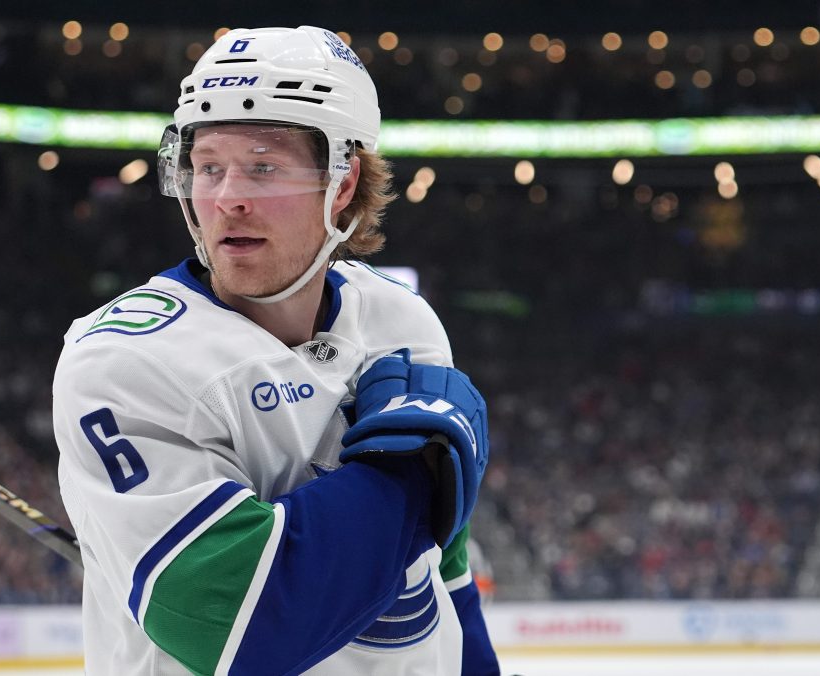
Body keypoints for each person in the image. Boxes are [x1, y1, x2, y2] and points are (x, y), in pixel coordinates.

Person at [53, 26, 499, 675]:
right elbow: (245, 628)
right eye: (209, 167)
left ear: (342, 182)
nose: (226, 198)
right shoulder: (122, 361)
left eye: (262, 167)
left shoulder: (402, 319)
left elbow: (443, 568)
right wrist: (416, 470)